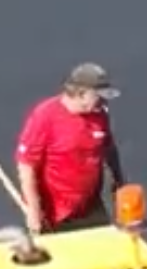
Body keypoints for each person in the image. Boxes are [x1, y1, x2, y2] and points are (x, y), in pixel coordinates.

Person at [15, 64, 124, 235]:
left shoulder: (99, 114)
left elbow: (108, 148)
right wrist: (34, 211)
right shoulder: (45, 116)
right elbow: (26, 166)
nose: (104, 102)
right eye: (99, 97)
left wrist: (120, 182)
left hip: (91, 206)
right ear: (81, 94)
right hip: (57, 215)